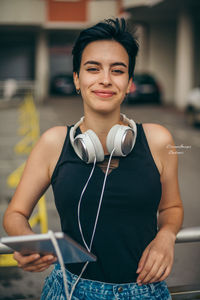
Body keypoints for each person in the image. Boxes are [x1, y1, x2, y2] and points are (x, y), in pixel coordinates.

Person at [3, 18, 183, 299]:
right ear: (77, 78)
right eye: (93, 68)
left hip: (144, 292)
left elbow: (171, 207)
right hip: (70, 290)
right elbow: (15, 214)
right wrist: (29, 244)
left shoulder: (159, 140)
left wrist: (166, 236)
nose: (106, 79)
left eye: (118, 70)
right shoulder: (53, 142)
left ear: (129, 83)